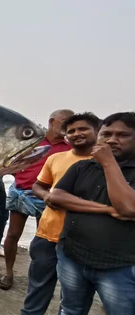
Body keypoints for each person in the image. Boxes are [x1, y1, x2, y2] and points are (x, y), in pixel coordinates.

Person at [48, 112, 135, 315]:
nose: (112, 140)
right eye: (106, 134)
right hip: (73, 256)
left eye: (122, 135)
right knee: (70, 310)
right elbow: (56, 197)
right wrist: (107, 209)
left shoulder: (109, 164)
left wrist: (108, 163)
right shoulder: (82, 166)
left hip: (120, 265)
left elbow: (128, 207)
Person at [20, 112, 100, 314]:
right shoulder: (55, 158)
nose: (76, 134)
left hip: (83, 240)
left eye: (83, 129)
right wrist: (46, 197)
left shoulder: (107, 163)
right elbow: (38, 185)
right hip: (47, 235)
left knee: (73, 298)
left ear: (97, 131)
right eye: (71, 130)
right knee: (37, 289)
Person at [0, 109, 74, 290]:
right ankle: (8, 272)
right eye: (66, 121)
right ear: (52, 121)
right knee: (13, 233)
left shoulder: (68, 148)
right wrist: (19, 174)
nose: (68, 126)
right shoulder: (33, 141)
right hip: (21, 191)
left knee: (44, 238)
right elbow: (11, 159)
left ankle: (40, 276)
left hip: (48, 196)